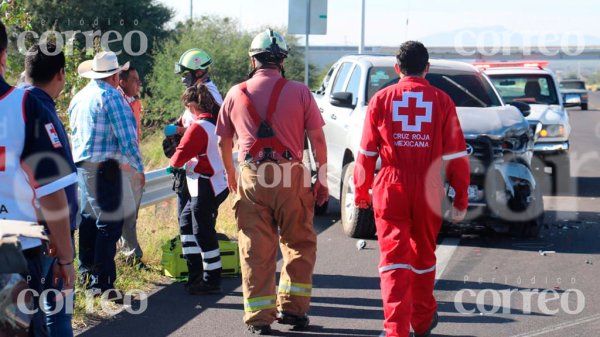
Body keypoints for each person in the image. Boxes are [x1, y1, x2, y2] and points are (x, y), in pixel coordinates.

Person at [354, 41, 470, 337]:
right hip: (429, 187)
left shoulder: (381, 99)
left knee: (393, 262)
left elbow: (367, 153)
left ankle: (396, 330)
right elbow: (457, 155)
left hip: (391, 186)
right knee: (423, 258)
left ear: (397, 69)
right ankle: (421, 320)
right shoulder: (442, 101)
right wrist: (461, 197)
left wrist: (361, 192)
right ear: (427, 69)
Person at [216, 29, 328, 335]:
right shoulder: (301, 92)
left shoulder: (235, 93)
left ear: (253, 60)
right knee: (299, 242)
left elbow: (223, 142)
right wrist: (322, 178)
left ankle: (259, 318)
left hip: (251, 176)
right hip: (290, 174)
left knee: (255, 248)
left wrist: (230, 174)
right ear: (282, 61)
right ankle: (293, 310)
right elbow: (317, 139)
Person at [0, 20, 77, 337]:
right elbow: (51, 194)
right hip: (14, 249)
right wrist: (66, 256)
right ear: (4, 55)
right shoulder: (24, 106)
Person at [69, 51, 145, 295]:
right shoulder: (112, 97)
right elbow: (127, 139)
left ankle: (86, 274)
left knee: (90, 220)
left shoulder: (79, 97)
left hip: (83, 166)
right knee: (109, 224)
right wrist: (138, 168)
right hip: (105, 168)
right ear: (114, 76)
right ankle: (102, 283)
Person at [20, 42, 78, 337]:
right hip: (47, 235)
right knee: (55, 314)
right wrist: (65, 251)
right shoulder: (38, 109)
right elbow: (52, 187)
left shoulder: (18, 103)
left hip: (28, 234)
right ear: (61, 74)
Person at [164, 48, 223, 285]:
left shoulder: (207, 96)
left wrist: (179, 133)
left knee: (198, 226)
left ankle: (207, 277)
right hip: (194, 172)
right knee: (187, 223)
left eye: (186, 73)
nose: (182, 78)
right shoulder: (199, 93)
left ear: (198, 72)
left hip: (203, 174)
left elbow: (207, 130)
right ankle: (196, 275)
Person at [118, 66, 145, 266]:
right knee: (126, 212)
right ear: (122, 82)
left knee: (132, 213)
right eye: (134, 80)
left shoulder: (136, 104)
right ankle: (130, 255)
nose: (139, 84)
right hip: (121, 166)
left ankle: (128, 252)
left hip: (135, 164)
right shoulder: (116, 102)